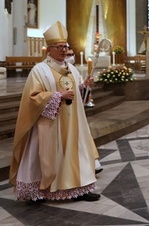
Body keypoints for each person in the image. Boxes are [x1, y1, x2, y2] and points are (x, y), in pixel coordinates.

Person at [9, 21, 101, 202]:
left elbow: (78, 98)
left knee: (77, 154)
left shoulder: (72, 69)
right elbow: (33, 98)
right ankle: (39, 191)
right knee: (45, 156)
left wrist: (84, 88)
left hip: (73, 123)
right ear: (48, 49)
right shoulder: (39, 70)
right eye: (59, 47)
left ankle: (80, 188)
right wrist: (57, 96)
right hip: (49, 125)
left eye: (65, 46)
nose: (63, 50)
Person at [65, 46, 103, 175]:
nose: (70, 57)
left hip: (76, 113)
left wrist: (85, 86)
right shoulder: (50, 70)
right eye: (67, 54)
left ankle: (91, 164)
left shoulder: (74, 71)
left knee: (82, 139)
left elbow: (82, 95)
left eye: (71, 54)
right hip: (62, 114)